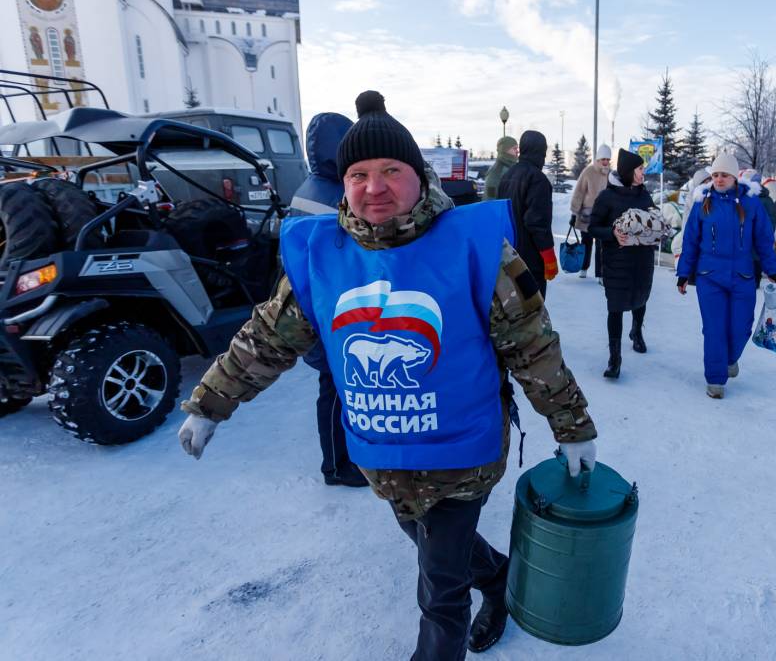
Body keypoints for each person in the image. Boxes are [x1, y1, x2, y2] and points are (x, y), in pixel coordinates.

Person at [177, 91, 598, 660]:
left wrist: (572, 427)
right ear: (343, 182)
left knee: (440, 593)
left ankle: (475, 608)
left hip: (461, 455)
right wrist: (209, 404)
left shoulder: (475, 249)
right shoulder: (322, 255)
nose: (374, 187)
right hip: (383, 455)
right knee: (431, 545)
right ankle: (497, 576)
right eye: (359, 174)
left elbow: (532, 347)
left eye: (390, 171)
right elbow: (267, 339)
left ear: (419, 177)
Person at [287, 111, 367, 487]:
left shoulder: (309, 186)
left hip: (312, 306)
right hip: (326, 313)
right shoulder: (338, 195)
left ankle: (342, 459)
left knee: (334, 387)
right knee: (335, 391)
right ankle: (336, 466)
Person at [676, 152, 776, 399]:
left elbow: (764, 239)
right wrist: (683, 274)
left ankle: (730, 359)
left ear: (734, 176)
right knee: (714, 329)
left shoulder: (751, 203)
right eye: (715, 175)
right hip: (709, 275)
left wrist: (772, 269)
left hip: (742, 275)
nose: (719, 179)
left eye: (724, 175)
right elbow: (690, 241)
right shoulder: (704, 203)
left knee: (742, 327)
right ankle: (715, 380)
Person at [588, 148, 656, 379]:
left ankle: (636, 331)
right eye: (639, 169)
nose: (643, 172)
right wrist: (612, 233)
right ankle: (614, 358)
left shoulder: (644, 194)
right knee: (615, 307)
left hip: (642, 258)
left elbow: (652, 219)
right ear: (628, 172)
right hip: (616, 260)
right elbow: (593, 227)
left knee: (641, 297)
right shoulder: (607, 197)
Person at [497, 130, 557, 297]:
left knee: (514, 308)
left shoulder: (508, 175)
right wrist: (548, 255)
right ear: (541, 152)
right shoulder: (538, 179)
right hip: (530, 260)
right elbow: (537, 222)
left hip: (509, 255)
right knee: (533, 308)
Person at [569, 144, 611, 279]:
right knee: (586, 242)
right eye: (603, 158)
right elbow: (579, 192)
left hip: (604, 216)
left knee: (601, 245)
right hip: (587, 214)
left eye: (607, 159)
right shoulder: (588, 172)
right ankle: (584, 267)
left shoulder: (611, 175)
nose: (605, 162)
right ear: (598, 159)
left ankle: (600, 274)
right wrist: (574, 213)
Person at [483, 136, 517, 201]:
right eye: (514, 149)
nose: (517, 151)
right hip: (501, 209)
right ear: (505, 149)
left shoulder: (511, 167)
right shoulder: (496, 171)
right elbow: (490, 198)